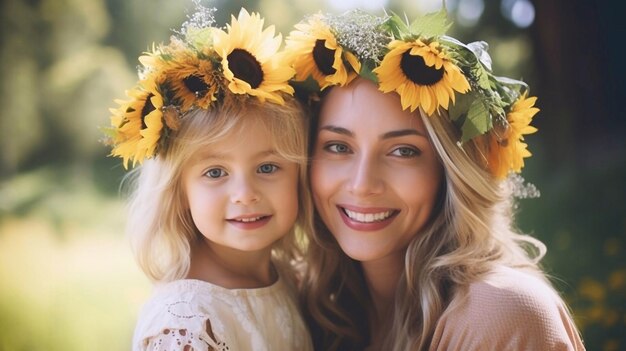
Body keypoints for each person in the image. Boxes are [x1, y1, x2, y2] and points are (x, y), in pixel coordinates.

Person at [284, 9, 586, 350]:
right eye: (338, 147)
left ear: (450, 171)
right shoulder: (310, 310)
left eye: (403, 151)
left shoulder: (500, 314)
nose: (362, 183)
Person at [104, 6, 313, 351]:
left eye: (267, 167)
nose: (245, 194)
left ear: (299, 175)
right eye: (215, 172)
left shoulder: (291, 280)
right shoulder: (187, 321)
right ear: (179, 192)